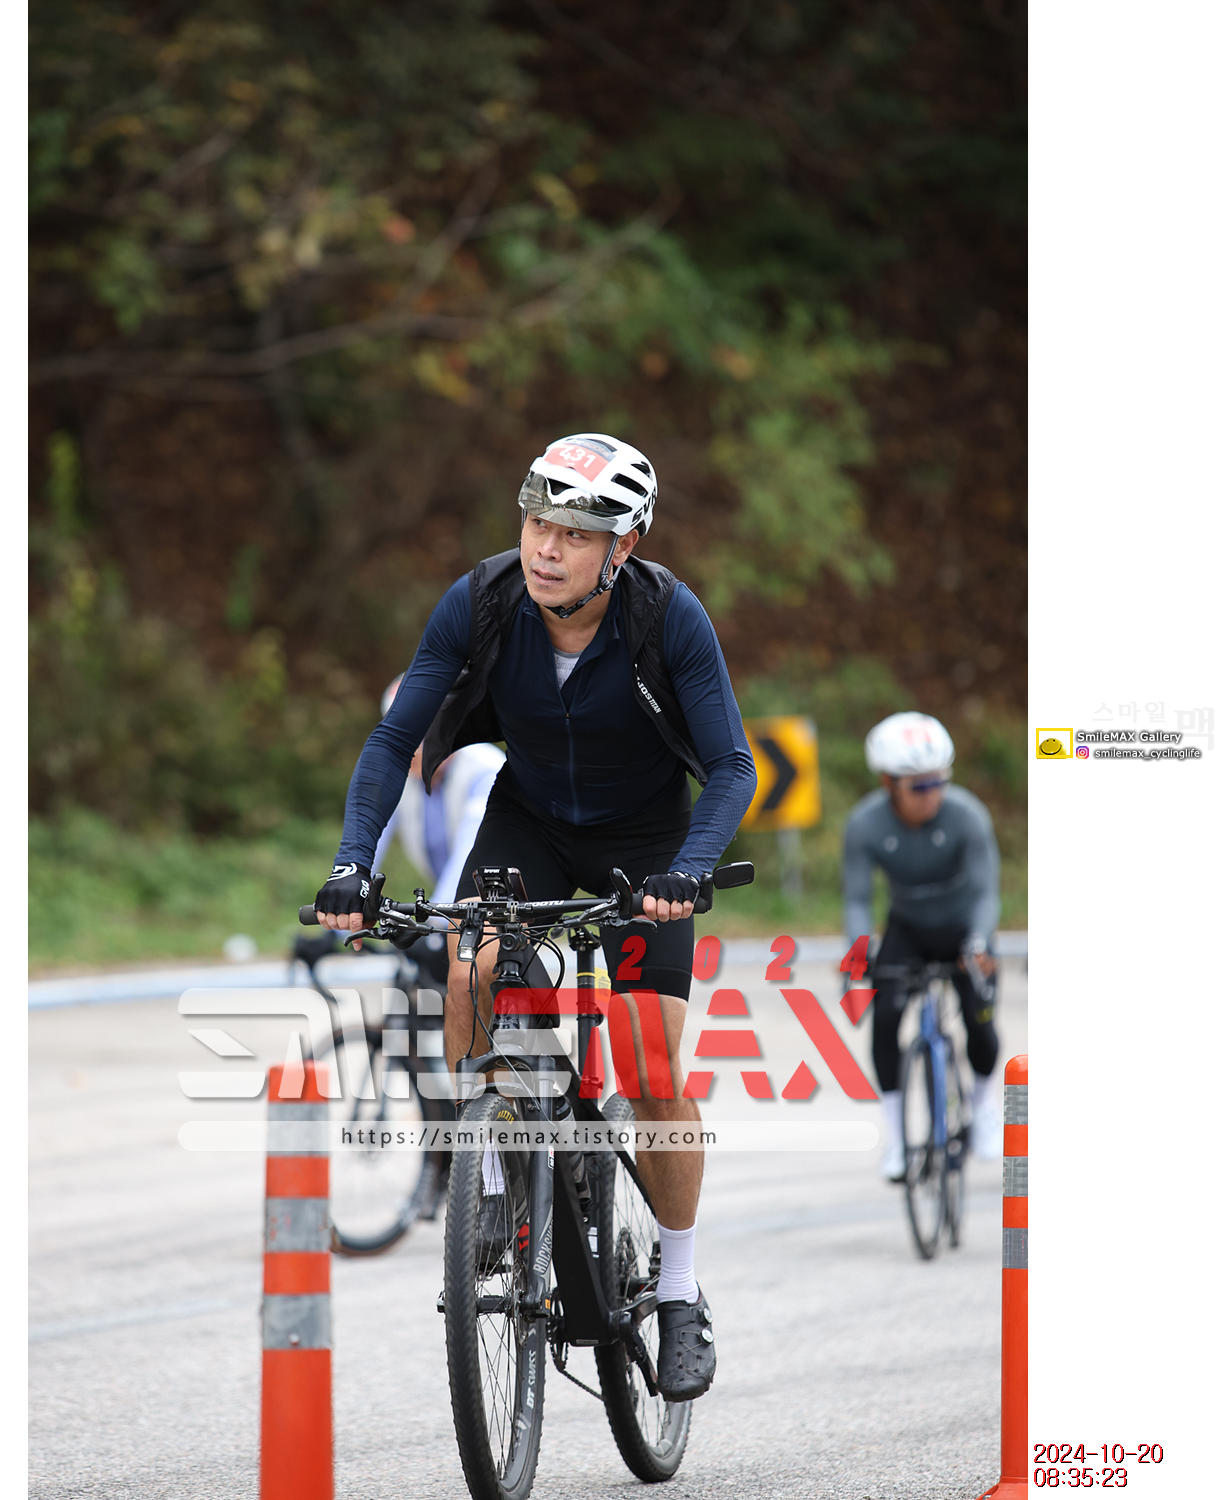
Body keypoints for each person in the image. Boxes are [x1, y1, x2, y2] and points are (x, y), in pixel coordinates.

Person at [313, 432, 757, 1400]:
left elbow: (731, 765)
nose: (546, 548)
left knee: (647, 1062)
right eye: (536, 523)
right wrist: (352, 863)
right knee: (469, 970)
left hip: (646, 845)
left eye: (575, 534)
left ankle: (678, 1291)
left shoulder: (667, 617)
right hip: (530, 824)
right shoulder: (481, 601)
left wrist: (687, 871)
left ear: (623, 547)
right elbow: (392, 741)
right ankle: (492, 1184)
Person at [842, 711, 1002, 1182]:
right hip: (908, 929)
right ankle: (896, 1138)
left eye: (939, 781)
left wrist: (979, 941)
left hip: (964, 928)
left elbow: (987, 892)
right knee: (884, 1018)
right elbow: (857, 900)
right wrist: (859, 950)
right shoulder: (865, 824)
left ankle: (982, 1105)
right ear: (888, 783)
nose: (932, 794)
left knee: (980, 1018)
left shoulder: (967, 815)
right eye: (920, 786)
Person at [370, 676, 505, 985]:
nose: (411, 747)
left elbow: (468, 856)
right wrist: (340, 914)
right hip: (445, 911)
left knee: (475, 991)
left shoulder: (485, 768)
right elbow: (371, 839)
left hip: (495, 906)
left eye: (422, 732)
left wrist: (432, 926)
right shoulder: (404, 771)